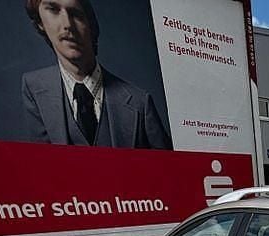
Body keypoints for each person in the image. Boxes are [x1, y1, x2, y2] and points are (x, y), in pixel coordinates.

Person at [22, 0, 172, 149]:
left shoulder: (140, 103)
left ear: (91, 25)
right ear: (40, 22)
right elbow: (41, 164)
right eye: (53, 9)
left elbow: (169, 168)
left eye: (76, 14)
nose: (67, 24)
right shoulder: (33, 87)